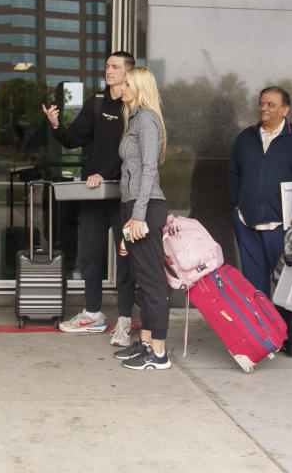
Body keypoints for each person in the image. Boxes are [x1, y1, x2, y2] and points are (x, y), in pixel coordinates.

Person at [41, 51, 137, 346]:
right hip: (94, 193)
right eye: (107, 66)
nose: (108, 70)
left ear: (128, 73)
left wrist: (105, 172)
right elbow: (75, 139)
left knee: (125, 263)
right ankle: (93, 314)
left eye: (115, 67)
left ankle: (124, 320)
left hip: (123, 195)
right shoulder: (97, 103)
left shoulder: (135, 106)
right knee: (91, 257)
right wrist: (57, 126)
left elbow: (130, 153)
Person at [108, 67, 170, 370]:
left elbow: (149, 169)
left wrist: (138, 215)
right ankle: (146, 343)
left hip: (145, 208)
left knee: (153, 282)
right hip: (133, 206)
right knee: (143, 282)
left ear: (141, 88)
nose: (123, 87)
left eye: (128, 83)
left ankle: (159, 353)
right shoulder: (132, 118)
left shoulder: (146, 118)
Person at [228, 86, 292, 297]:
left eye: (270, 104)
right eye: (261, 103)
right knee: (254, 284)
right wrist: (237, 206)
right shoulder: (246, 137)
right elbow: (233, 172)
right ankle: (261, 329)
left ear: (285, 110)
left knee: (286, 283)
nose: (263, 108)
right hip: (248, 222)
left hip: (283, 226)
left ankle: (286, 330)